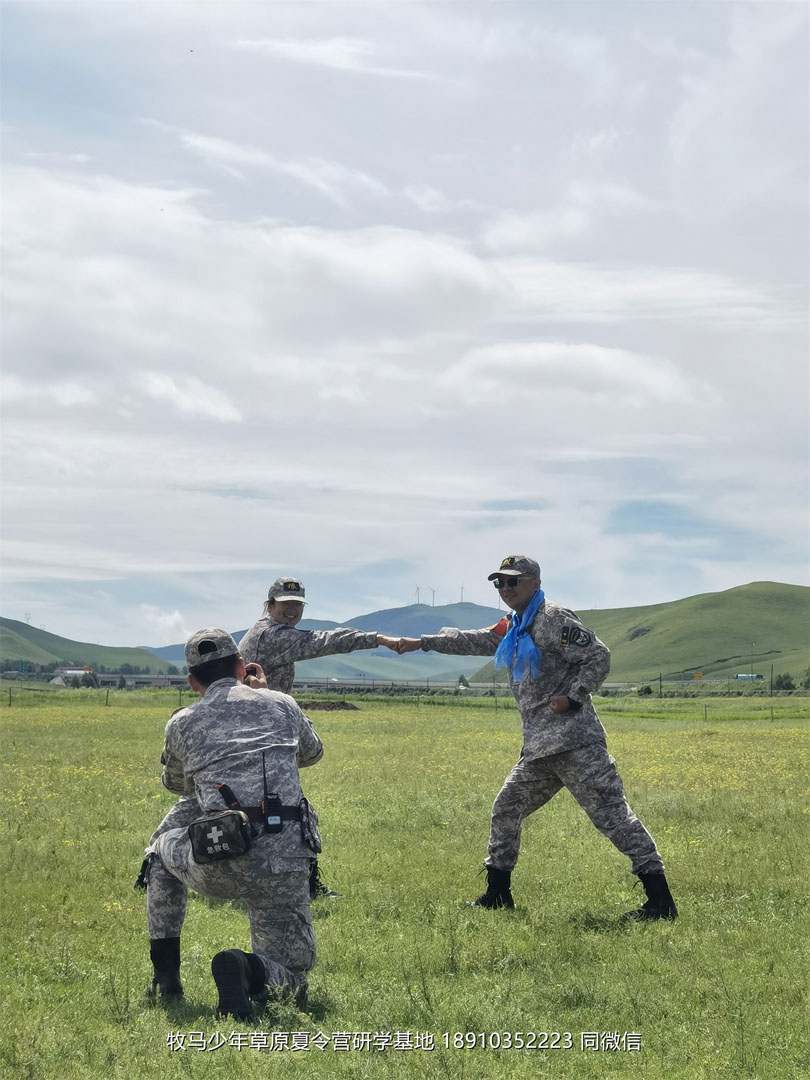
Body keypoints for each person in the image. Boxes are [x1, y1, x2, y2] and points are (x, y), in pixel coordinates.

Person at [397, 555, 677, 921]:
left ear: (533, 582)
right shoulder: (515, 627)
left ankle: (660, 901)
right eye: (499, 584)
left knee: (612, 817)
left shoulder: (553, 619)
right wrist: (422, 643)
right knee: (506, 809)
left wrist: (575, 696)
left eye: (513, 582)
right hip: (540, 751)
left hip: (575, 744)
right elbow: (475, 640)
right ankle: (497, 895)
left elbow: (598, 657)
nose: (505, 590)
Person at [144, 627, 324, 1019]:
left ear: (193, 682)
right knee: (293, 978)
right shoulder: (282, 704)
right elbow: (312, 754)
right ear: (242, 666)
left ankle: (166, 978)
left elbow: (176, 785)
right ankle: (250, 969)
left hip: (219, 860)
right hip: (287, 861)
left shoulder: (183, 723)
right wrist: (264, 694)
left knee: (159, 850)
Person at [239, 576, 399, 899]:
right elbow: (326, 641)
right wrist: (377, 638)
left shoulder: (263, 631)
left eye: (297, 605)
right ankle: (307, 884)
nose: (292, 611)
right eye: (285, 605)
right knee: (293, 808)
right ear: (270, 605)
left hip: (257, 730)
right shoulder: (273, 636)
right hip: (263, 733)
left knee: (252, 805)